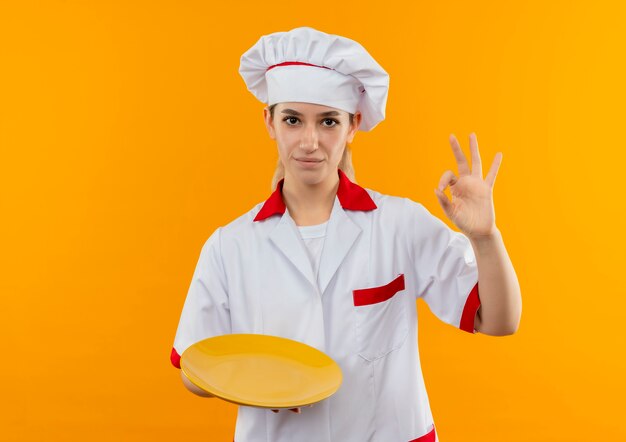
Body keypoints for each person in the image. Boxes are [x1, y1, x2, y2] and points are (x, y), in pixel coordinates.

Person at [170, 26, 522, 442]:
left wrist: (485, 237)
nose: (310, 141)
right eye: (293, 120)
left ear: (353, 125)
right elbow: (194, 367)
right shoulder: (229, 246)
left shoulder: (399, 224)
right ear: (269, 121)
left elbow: (500, 320)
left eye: (329, 121)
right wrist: (257, 383)